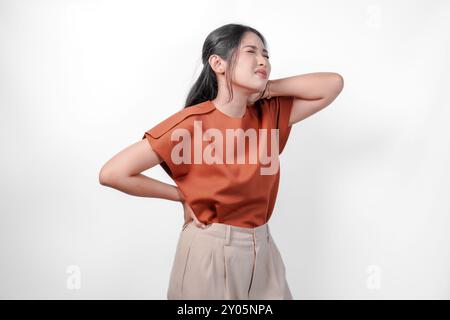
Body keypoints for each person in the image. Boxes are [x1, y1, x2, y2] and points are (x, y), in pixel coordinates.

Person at [99, 23, 344, 300]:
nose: (263, 60)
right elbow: (113, 173)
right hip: (210, 249)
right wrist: (181, 195)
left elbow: (332, 84)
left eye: (266, 54)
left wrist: (267, 88)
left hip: (263, 248)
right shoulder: (192, 123)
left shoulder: (269, 114)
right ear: (218, 63)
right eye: (251, 51)